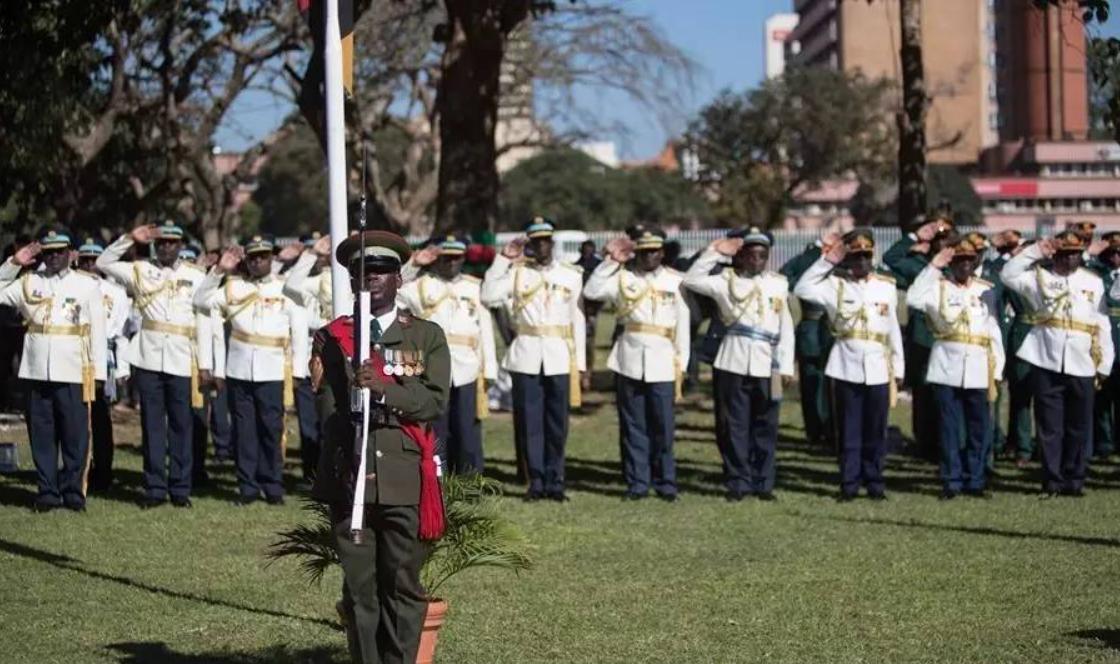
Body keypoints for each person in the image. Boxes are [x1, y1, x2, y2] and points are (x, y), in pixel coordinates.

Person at [310, 229, 449, 664]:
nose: (372, 278)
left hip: (403, 477)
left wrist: (386, 389)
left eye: (383, 270)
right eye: (362, 272)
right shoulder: (333, 338)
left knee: (402, 584)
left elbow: (433, 402)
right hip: (352, 477)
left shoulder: (424, 336)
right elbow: (327, 413)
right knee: (360, 590)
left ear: (399, 279)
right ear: (351, 280)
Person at [97, 221, 213, 508]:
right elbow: (103, 261)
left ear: (181, 246)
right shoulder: (139, 269)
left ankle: (180, 489)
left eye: (172, 242)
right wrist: (128, 237)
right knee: (152, 426)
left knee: (181, 426)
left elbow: (204, 320)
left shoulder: (196, 276)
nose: (166, 247)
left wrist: (206, 363)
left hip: (182, 357)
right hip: (148, 356)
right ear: (154, 245)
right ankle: (154, 488)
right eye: (161, 243)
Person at [1000, 231, 1114, 497]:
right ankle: (1052, 479)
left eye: (1074, 254)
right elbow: (1007, 274)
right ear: (1055, 255)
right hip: (1046, 359)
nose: (1069, 259)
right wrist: (1036, 251)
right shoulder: (1039, 277)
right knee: (1050, 426)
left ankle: (1074, 479)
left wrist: (1104, 363)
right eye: (1063, 254)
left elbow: (1102, 324)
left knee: (1079, 425)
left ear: (1080, 255)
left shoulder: (1093, 282)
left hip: (1083, 362)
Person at [195, 235, 307, 506]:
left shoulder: (285, 289)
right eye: (253, 257)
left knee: (271, 429)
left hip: (272, 370)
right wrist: (219, 270)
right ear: (246, 260)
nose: (258, 262)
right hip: (239, 370)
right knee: (244, 431)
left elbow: (300, 329)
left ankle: (273, 485)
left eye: (263, 257)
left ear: (271, 259)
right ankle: (247, 487)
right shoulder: (233, 287)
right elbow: (200, 300)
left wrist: (299, 370)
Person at [794, 230, 905, 501]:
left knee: (876, 430)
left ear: (873, 256)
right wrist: (828, 261)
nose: (862, 263)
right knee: (848, 430)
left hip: (878, 366)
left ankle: (875, 483)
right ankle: (849, 484)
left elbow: (892, 330)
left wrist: (899, 366)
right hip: (845, 365)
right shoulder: (835, 285)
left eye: (866, 256)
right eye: (856, 257)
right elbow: (801, 288)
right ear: (849, 259)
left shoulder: (886, 286)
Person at [0, 229, 107, 512]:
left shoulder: (87, 285)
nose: (54, 256)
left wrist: (98, 374)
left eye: (60, 251)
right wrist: (14, 262)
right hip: (36, 369)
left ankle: (73, 492)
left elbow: (98, 330)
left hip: (73, 368)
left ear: (71, 253)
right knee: (42, 433)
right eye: (48, 251)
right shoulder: (29, 281)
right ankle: (47, 490)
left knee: (75, 435)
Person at [684, 227, 794, 501]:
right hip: (732, 359)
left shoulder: (778, 284)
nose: (757, 261)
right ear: (742, 256)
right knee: (734, 425)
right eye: (752, 255)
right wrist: (715, 252)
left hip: (768, 362)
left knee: (766, 424)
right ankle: (738, 481)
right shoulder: (724, 280)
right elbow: (691, 279)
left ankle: (764, 482)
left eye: (763, 255)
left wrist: (788, 365)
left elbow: (786, 326)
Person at [481, 217, 586, 502]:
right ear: (529, 244)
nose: (541, 246)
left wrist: (582, 364)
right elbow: (488, 295)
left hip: (559, 355)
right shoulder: (515, 273)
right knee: (530, 422)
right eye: (535, 241)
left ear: (552, 243)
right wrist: (503, 260)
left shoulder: (571, 274)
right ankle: (535, 481)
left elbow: (578, 319)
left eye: (545, 241)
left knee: (557, 423)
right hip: (526, 354)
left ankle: (556, 479)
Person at [584, 228, 690, 502]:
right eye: (643, 252)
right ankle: (637, 483)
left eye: (654, 251)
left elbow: (683, 324)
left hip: (664, 361)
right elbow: (592, 290)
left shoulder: (675, 281)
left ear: (662, 253)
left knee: (663, 427)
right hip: (629, 359)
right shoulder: (623, 278)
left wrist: (684, 362)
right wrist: (611, 261)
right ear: (637, 254)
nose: (649, 256)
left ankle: (666, 483)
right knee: (633, 426)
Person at [906, 237, 1006, 499]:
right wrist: (933, 266)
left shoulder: (986, 290)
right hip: (946, 367)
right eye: (958, 261)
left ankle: (975, 480)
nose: (964, 266)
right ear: (952, 264)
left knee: (978, 428)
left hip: (977, 367)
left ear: (975, 263)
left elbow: (993, 332)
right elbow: (914, 299)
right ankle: (951, 481)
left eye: (968, 261)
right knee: (949, 428)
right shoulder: (938, 288)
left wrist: (996, 370)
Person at [398, 233, 498, 474]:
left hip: (467, 366)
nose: (451, 262)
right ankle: (436, 479)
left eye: (456, 257)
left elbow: (485, 330)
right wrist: (413, 265)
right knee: (435, 427)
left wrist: (490, 368)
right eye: (446, 258)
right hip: (431, 367)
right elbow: (391, 291)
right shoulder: (419, 285)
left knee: (467, 428)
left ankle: (469, 481)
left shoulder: (474, 287)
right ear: (436, 259)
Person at [883, 213, 954, 457]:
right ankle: (925, 443)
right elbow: (890, 258)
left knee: (947, 393)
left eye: (947, 241)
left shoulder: (958, 265)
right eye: (939, 241)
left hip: (951, 337)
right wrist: (914, 237)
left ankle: (946, 443)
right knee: (923, 393)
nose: (944, 246)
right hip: (923, 336)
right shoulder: (918, 265)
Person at [75, 238, 132, 492]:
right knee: (74, 417)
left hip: (103, 358)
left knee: (100, 417)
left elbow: (121, 332)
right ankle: (76, 470)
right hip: (74, 353)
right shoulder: (72, 286)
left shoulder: (115, 292)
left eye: (93, 260)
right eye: (84, 260)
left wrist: (122, 368)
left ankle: (103, 472)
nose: (89, 265)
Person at [780, 234, 835, 448]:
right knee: (812, 379)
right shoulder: (808, 258)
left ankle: (828, 427)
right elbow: (785, 275)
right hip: (812, 323)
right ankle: (816, 429)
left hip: (832, 326)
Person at [1088, 231, 1120, 460]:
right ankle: (1104, 443)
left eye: (1119, 253)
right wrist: (1091, 254)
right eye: (1111, 253)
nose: (1115, 257)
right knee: (1102, 399)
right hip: (1104, 340)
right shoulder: (1097, 274)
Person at [575, 239, 602, 392]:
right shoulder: (576, 266)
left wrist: (595, 310)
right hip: (579, 310)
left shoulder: (598, 266)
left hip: (592, 311)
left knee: (589, 344)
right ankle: (581, 373)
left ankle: (588, 374)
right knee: (580, 343)